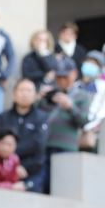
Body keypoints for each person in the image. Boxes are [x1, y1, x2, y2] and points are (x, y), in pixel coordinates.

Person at [41, 58, 92, 194]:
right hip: (45, 144)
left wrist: (70, 106)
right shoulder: (51, 93)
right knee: (44, 185)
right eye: (59, 76)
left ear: (74, 74)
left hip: (66, 147)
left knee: (61, 187)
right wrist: (40, 97)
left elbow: (84, 121)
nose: (62, 80)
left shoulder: (82, 95)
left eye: (65, 76)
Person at [0, 78, 49, 193]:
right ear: (14, 94)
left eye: (29, 90)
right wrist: (12, 164)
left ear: (35, 95)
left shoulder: (42, 118)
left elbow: (38, 146)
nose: (25, 93)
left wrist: (21, 166)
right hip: (3, 169)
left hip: (30, 170)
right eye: (22, 90)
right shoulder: (3, 117)